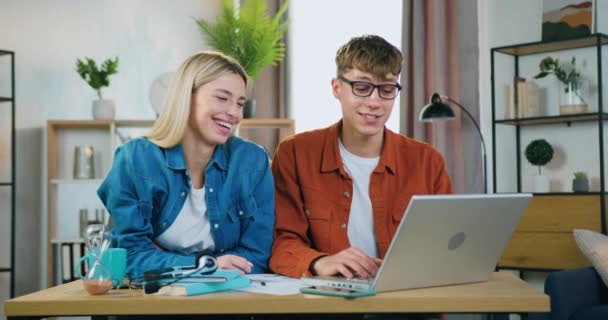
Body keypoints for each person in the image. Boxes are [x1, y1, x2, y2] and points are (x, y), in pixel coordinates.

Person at [270, 35, 453, 280]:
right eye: (362, 87)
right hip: (327, 303)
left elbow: (448, 243)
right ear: (337, 88)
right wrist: (319, 262)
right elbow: (282, 242)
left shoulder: (427, 161)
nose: (374, 102)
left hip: (405, 303)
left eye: (387, 89)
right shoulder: (295, 153)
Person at [98, 51, 275, 280]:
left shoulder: (252, 161)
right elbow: (129, 255)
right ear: (186, 97)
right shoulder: (136, 160)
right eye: (222, 98)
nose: (234, 113)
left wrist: (165, 259)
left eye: (240, 103)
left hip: (229, 299)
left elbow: (257, 255)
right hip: (153, 303)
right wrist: (206, 264)